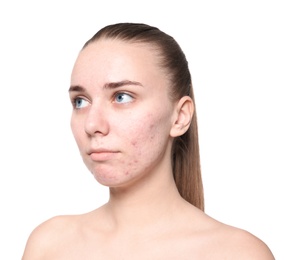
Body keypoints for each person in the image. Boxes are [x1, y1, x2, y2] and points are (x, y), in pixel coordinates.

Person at [22, 22, 274, 259]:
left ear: (180, 117)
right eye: (80, 101)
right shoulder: (49, 245)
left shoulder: (238, 253)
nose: (92, 125)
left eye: (122, 97)